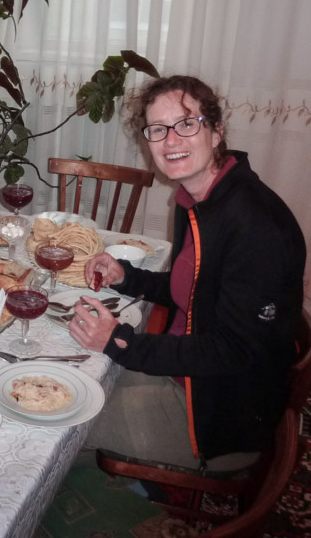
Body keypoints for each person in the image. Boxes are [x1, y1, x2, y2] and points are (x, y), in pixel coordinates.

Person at [71, 75, 306, 471]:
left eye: (186, 124)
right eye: (158, 130)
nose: (171, 141)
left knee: (57, 421)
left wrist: (120, 340)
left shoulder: (252, 223)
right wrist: (127, 277)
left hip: (216, 415)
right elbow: (196, 290)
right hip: (188, 378)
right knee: (68, 382)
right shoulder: (196, 199)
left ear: (215, 132)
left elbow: (233, 350)